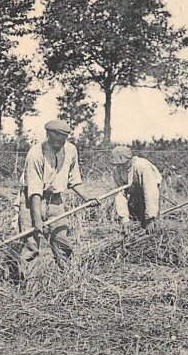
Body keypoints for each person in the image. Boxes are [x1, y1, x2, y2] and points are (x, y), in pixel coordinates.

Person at [11, 119, 98, 279]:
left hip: (56, 201)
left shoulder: (71, 150)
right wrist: (37, 219)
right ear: (48, 136)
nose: (59, 144)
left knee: (61, 240)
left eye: (62, 140)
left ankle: (70, 280)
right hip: (31, 202)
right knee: (30, 246)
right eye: (56, 140)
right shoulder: (36, 154)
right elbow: (35, 190)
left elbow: (74, 179)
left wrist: (87, 197)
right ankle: (30, 288)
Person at [110, 146, 162, 236]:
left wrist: (150, 218)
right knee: (136, 218)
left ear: (129, 159)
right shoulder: (116, 171)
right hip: (134, 191)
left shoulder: (142, 167)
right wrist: (124, 219)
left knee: (151, 224)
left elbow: (150, 193)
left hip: (150, 188)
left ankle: (153, 225)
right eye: (118, 165)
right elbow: (119, 195)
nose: (120, 167)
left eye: (123, 164)